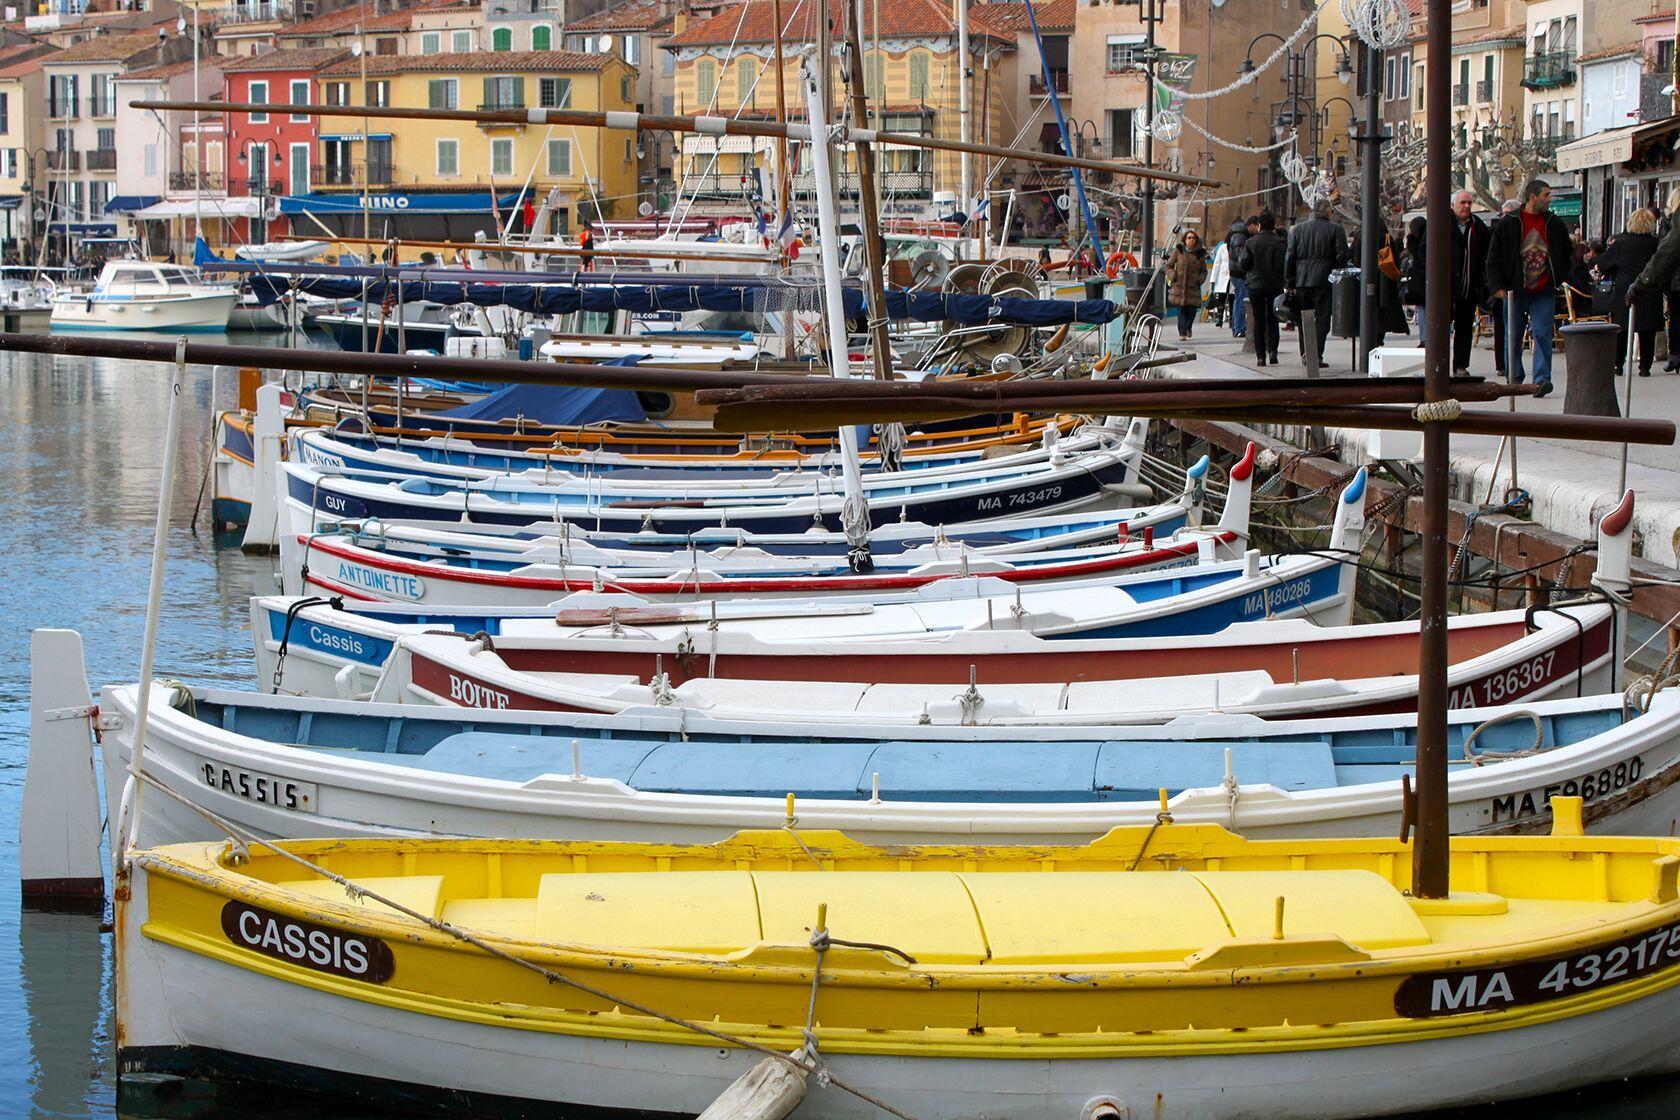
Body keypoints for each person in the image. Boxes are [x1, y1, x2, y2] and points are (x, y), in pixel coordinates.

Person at [1485, 181, 1571, 397]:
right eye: (1546, 194)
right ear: (1532, 197)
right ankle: (1514, 378)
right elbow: (1493, 257)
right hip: (1515, 290)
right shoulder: (1510, 223)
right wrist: (1497, 286)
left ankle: (1541, 380)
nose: (1549, 198)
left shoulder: (1554, 223)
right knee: (1513, 335)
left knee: (1542, 333)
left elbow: (1567, 252)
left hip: (1543, 290)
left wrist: (1559, 276)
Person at [1596, 208, 1663, 377]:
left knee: (1623, 330)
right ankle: (1645, 367)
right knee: (1647, 330)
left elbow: (1603, 263)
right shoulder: (1655, 243)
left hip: (1625, 289)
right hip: (1649, 289)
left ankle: (1618, 363)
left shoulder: (1620, 242)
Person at [1283, 197, 1348, 368]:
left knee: (1305, 318)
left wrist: (1290, 281)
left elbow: (1290, 256)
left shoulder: (1298, 230)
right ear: (1327, 211)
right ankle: (1316, 355)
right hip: (1324, 280)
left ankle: (1306, 353)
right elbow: (1341, 256)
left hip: (1302, 280)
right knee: (1322, 319)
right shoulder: (1336, 230)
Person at [1350, 222, 1410, 349]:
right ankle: (1379, 338)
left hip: (1365, 279)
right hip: (1385, 279)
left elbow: (1353, 257)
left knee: (1367, 307)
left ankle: (1368, 336)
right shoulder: (1386, 236)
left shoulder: (1361, 237)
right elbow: (1395, 258)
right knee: (1382, 311)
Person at [1243, 210, 1287, 365]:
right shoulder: (1281, 242)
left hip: (1256, 285)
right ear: (1273, 225)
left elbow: (1244, 264)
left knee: (1259, 320)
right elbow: (1284, 265)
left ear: (1259, 225)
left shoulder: (1250, 242)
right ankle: (1273, 351)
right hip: (1275, 285)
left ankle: (1260, 356)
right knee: (1273, 319)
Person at [1164, 229, 1209, 340]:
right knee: (1181, 312)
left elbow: (1204, 271)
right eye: (1189, 238)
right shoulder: (1178, 251)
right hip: (1179, 287)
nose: (1191, 240)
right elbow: (1168, 266)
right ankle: (1182, 333)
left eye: (1193, 238)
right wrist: (1172, 275)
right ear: (1185, 239)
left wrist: (1200, 280)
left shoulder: (1200, 254)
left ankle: (1188, 328)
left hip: (1193, 288)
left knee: (1192, 312)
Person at [1226, 218, 1251, 338]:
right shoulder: (1240, 236)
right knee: (1241, 300)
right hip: (1240, 273)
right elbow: (1242, 257)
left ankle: (1237, 326)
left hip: (1235, 272)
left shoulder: (1233, 235)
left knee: (1239, 299)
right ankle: (1239, 328)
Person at [1206, 232, 1232, 329]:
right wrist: (1213, 279)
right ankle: (1219, 319)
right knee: (1221, 298)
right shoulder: (1222, 248)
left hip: (1232, 275)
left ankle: (1232, 320)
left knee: (1232, 298)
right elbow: (1217, 263)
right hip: (1223, 275)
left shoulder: (1237, 247)